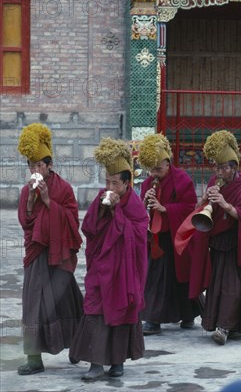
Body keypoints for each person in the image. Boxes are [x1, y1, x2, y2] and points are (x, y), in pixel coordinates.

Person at [175, 130, 241, 345]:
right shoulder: (215, 182)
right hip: (217, 243)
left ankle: (224, 328)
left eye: (224, 168)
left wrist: (225, 204)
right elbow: (201, 211)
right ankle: (232, 326)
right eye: (217, 168)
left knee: (232, 287)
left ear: (234, 167)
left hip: (237, 243)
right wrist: (205, 199)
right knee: (217, 286)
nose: (220, 172)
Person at [70, 138, 148, 380]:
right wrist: (105, 210)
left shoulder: (135, 206)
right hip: (101, 267)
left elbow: (137, 238)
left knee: (122, 310)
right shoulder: (101, 200)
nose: (110, 187)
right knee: (94, 308)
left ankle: (117, 362)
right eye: (107, 182)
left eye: (115, 183)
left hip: (124, 272)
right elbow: (89, 229)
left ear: (127, 184)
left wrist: (117, 213)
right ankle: (95, 363)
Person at [16, 123, 83, 375]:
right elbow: (26, 222)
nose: (35, 170)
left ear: (50, 165)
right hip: (36, 254)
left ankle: (77, 345)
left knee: (66, 301)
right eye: (31, 166)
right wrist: (33, 201)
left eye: (39, 165)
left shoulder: (63, 189)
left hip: (59, 255)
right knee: (33, 303)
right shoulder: (26, 191)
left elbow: (72, 220)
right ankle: (34, 359)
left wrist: (47, 201)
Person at [138, 134, 202, 335]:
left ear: (168, 163)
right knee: (155, 278)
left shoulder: (182, 180)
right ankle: (153, 319)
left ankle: (188, 314)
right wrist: (145, 201)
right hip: (157, 239)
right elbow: (140, 210)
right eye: (151, 170)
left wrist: (165, 209)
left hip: (177, 237)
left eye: (158, 169)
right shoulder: (149, 183)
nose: (154, 174)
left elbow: (189, 207)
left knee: (180, 278)